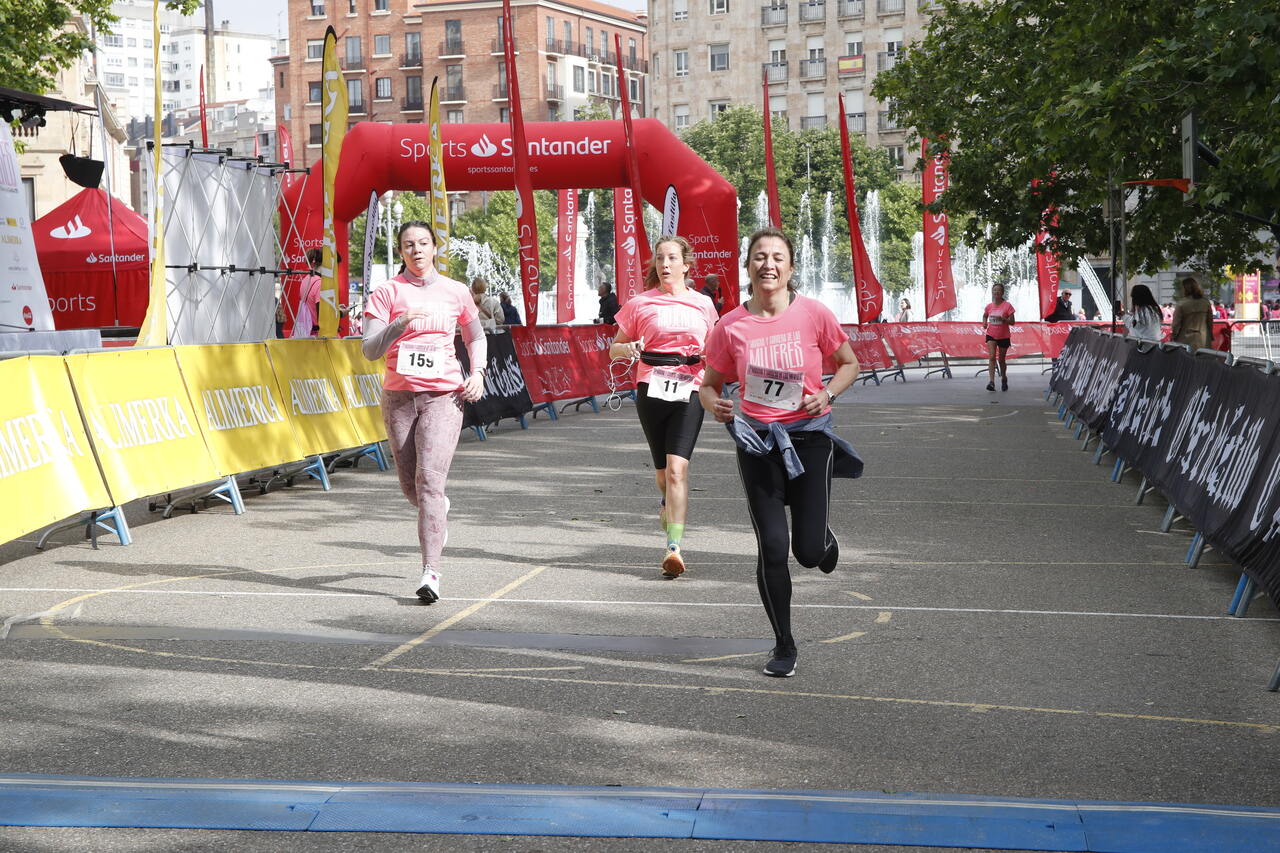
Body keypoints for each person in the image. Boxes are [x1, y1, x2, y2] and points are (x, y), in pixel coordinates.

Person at [699, 227, 862, 678]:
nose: (767, 264)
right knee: (773, 545)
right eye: (759, 257)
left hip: (810, 438)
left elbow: (849, 364)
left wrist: (827, 394)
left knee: (807, 553)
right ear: (747, 266)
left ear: (790, 268)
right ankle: (784, 644)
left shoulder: (813, 314)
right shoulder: (730, 326)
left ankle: (823, 541)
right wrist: (716, 406)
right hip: (758, 443)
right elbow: (708, 386)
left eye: (777, 257)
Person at [361, 221, 486, 602]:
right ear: (400, 252)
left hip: (443, 396)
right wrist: (399, 324)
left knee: (429, 482)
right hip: (399, 397)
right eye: (409, 245)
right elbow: (370, 349)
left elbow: (475, 336)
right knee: (411, 487)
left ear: (434, 248)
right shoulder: (387, 292)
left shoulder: (455, 291)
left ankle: (430, 573)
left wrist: (478, 373)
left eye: (423, 243)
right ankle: (438, 509)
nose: (416, 250)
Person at [609, 236, 719, 579]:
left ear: (686, 265)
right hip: (652, 386)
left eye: (672, 258)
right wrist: (628, 349)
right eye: (660, 258)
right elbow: (614, 348)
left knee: (676, 471)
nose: (665, 264)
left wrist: (713, 360)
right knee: (662, 475)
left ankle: (674, 548)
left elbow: (715, 347)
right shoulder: (640, 303)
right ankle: (666, 503)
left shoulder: (703, 303)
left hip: (690, 385)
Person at [982, 282, 1015, 391]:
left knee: (1001, 360)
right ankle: (991, 382)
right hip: (991, 334)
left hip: (1003, 336)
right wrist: (984, 323)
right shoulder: (989, 306)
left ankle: (1004, 378)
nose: (996, 292)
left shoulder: (1007, 306)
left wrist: (1004, 319)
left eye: (999, 290)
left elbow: (1012, 322)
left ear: (1002, 293)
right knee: (992, 357)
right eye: (994, 290)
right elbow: (985, 315)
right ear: (992, 292)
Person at [1171, 276, 1213, 351]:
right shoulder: (1205, 302)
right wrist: (1210, 336)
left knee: (1186, 358)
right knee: (1202, 357)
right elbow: (1210, 322)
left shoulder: (1181, 304)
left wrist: (1174, 336)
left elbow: (1176, 324)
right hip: (1203, 339)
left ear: (1184, 289)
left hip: (1184, 339)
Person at [290, 248, 323, 338]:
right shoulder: (320, 283)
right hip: (319, 335)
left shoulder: (305, 280)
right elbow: (322, 314)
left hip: (307, 332)